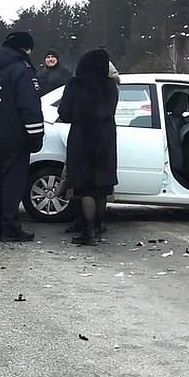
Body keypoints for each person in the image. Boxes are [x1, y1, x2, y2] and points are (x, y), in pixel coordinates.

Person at [0, 30, 44, 243]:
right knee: (13, 184)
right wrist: (36, 136)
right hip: (14, 138)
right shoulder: (22, 70)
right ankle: (10, 227)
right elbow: (29, 106)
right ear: (27, 48)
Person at [56, 48, 118, 244]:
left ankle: (88, 231)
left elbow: (64, 113)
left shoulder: (76, 85)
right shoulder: (110, 86)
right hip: (106, 138)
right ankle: (98, 227)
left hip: (83, 138)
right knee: (101, 188)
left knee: (85, 188)